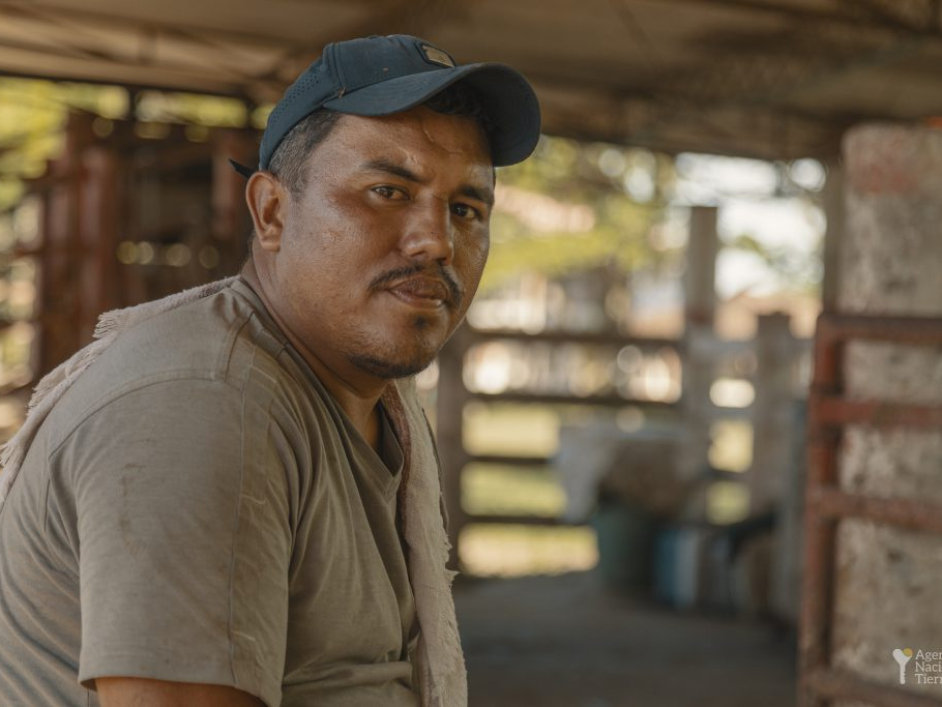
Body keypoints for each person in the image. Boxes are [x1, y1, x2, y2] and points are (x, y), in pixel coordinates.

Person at [0, 34, 540, 707]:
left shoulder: (369, 400)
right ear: (272, 212)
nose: (436, 240)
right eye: (387, 191)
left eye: (465, 209)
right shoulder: (205, 406)